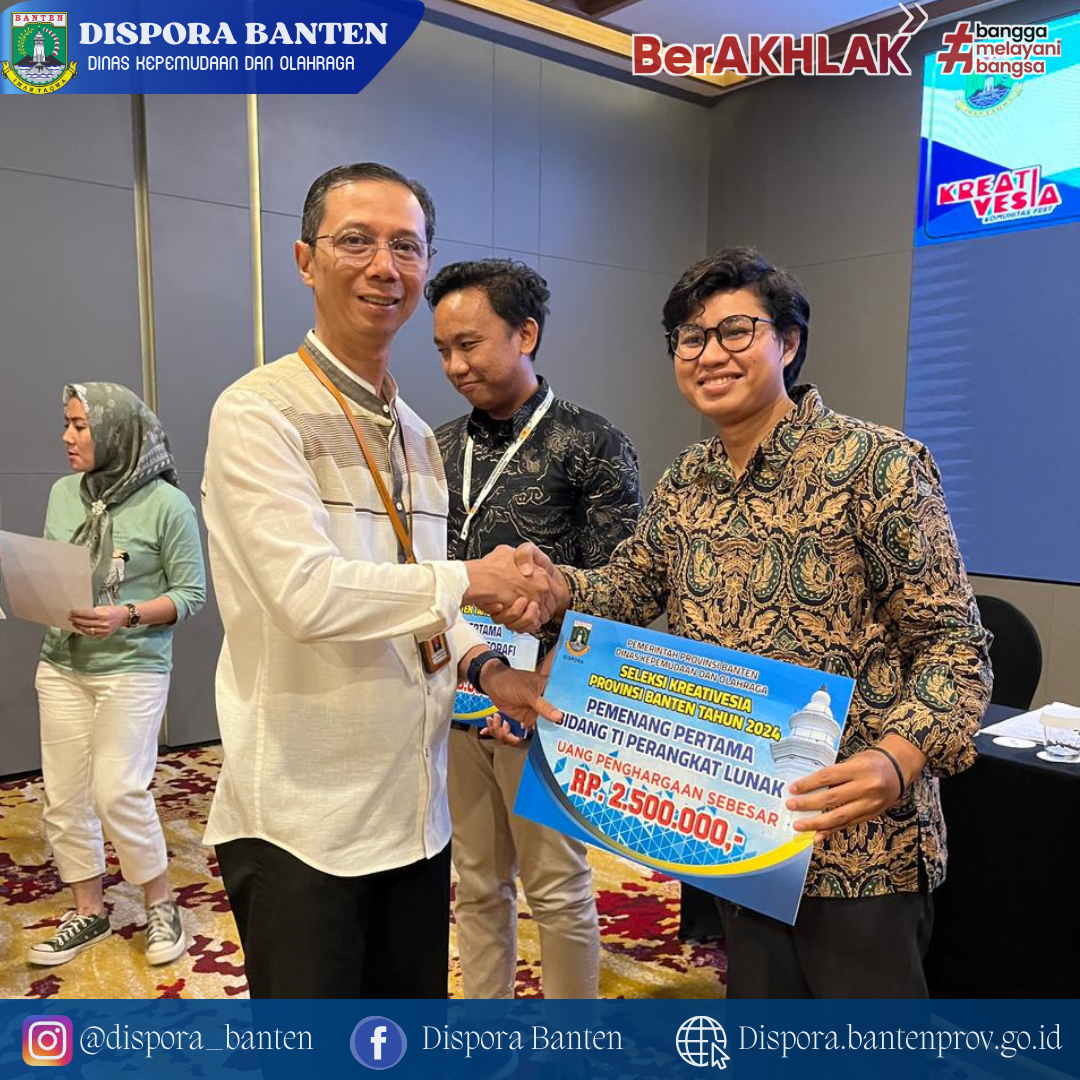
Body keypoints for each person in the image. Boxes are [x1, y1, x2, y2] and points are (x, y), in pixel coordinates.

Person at [498, 247, 992, 998]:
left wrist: (896, 762)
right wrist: (553, 585)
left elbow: (955, 646)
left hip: (857, 843)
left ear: (787, 343)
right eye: (690, 338)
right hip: (740, 831)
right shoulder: (687, 479)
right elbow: (630, 586)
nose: (709, 354)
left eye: (736, 331)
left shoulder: (877, 464)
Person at [200, 163, 560, 999]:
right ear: (305, 259)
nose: (383, 266)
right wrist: (469, 578)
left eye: (406, 246)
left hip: (414, 812)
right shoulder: (258, 413)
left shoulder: (414, 433)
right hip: (304, 820)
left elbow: (411, 587)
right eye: (355, 241)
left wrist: (485, 668)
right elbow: (308, 594)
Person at [429, 258, 643, 998]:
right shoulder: (436, 447)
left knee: (557, 887)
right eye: (442, 350)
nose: (455, 366)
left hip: (549, 702)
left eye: (469, 344)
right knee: (476, 881)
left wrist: (549, 684)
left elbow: (622, 587)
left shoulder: (592, 442)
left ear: (526, 333)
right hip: (459, 687)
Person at [30, 382, 206, 967]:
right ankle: (89, 911)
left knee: (118, 791)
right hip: (61, 664)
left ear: (116, 433)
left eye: (80, 426)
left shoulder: (168, 505)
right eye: (67, 423)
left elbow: (191, 595)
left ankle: (159, 902)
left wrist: (124, 615)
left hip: (133, 666)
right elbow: (54, 571)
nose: (67, 436)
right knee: (64, 797)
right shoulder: (63, 493)